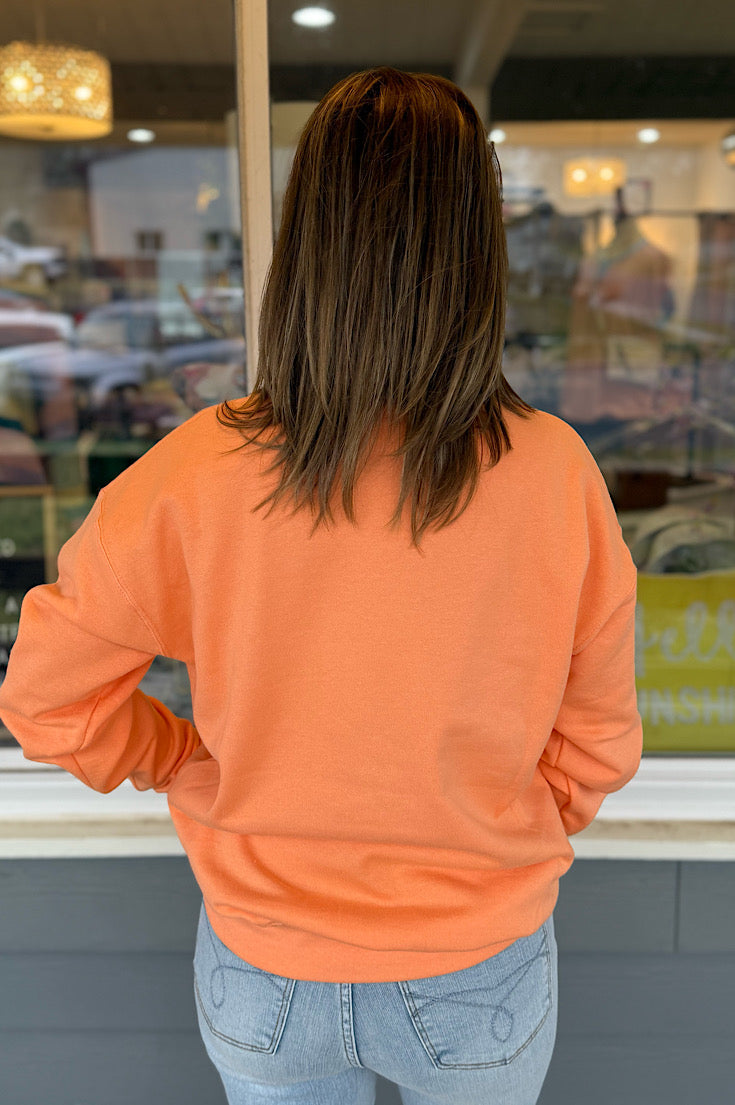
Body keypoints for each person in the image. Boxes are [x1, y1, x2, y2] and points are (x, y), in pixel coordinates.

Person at [0, 67, 642, 1105]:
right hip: (476, 963)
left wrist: (187, 764)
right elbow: (600, 739)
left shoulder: (195, 473)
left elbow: (45, 702)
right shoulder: (554, 472)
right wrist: (504, 820)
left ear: (306, 243)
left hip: (265, 968)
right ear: (479, 250)